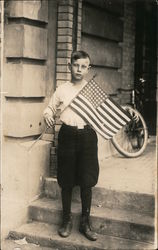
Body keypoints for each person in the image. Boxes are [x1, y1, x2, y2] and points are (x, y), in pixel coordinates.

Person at [43, 51, 99, 241]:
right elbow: (50, 108)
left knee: (87, 179)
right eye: (76, 65)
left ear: (88, 69)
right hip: (67, 134)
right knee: (66, 179)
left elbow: (102, 114)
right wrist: (49, 114)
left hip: (88, 136)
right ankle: (66, 220)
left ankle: (85, 222)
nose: (79, 69)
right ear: (69, 66)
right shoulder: (62, 89)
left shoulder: (92, 90)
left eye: (84, 66)